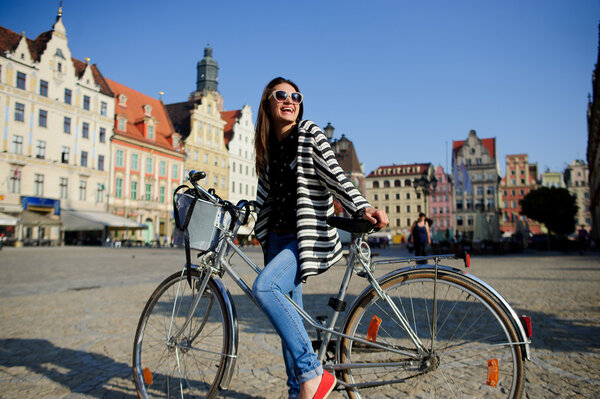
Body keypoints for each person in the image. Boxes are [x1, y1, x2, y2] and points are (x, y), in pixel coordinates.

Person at [252, 77, 388, 399]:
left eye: (295, 96)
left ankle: (313, 372)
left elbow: (334, 174)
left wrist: (362, 206)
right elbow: (264, 197)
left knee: (265, 288)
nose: (290, 100)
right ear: (268, 104)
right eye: (281, 95)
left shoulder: (308, 133)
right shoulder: (269, 147)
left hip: (302, 239)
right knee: (291, 321)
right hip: (275, 238)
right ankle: (297, 392)